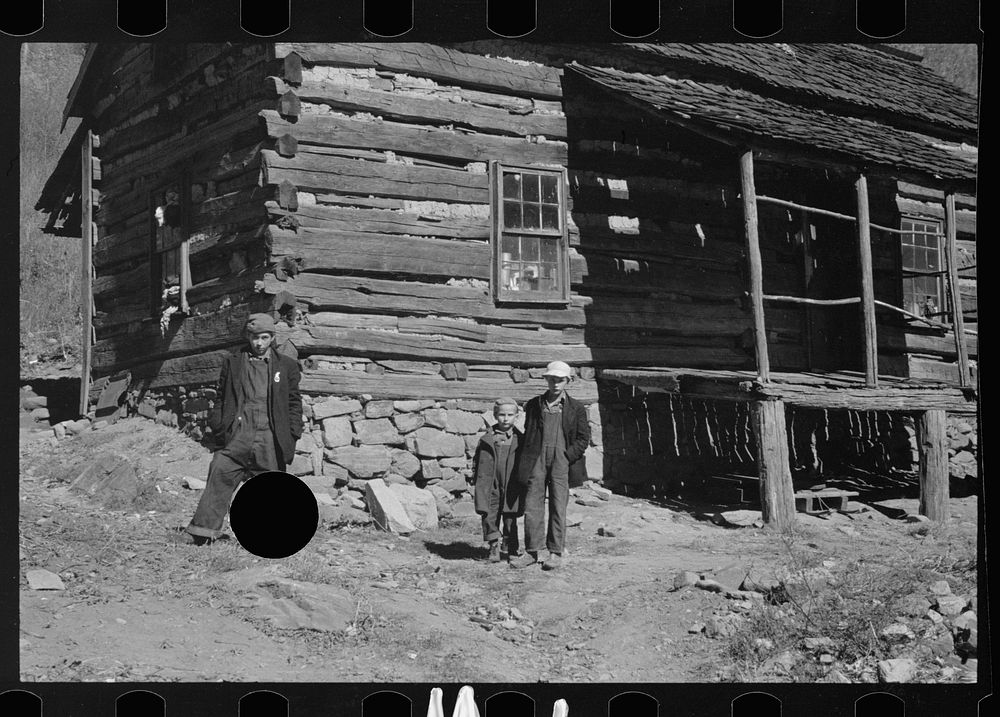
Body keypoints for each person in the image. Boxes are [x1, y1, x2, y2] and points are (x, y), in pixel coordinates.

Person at [173, 313, 303, 545]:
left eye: (264, 337)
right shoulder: (233, 362)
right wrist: (219, 425)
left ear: (272, 338)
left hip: (269, 437)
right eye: (254, 337)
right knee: (220, 473)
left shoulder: (287, 366)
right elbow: (222, 396)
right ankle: (202, 532)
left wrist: (293, 432)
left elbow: (294, 403)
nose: (259, 343)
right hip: (238, 434)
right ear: (247, 336)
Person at [510, 361, 590, 571]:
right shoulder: (534, 404)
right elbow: (527, 433)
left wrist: (566, 455)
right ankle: (532, 551)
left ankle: (555, 552)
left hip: (560, 461)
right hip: (536, 459)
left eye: (560, 380)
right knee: (532, 505)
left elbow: (583, 438)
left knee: (558, 505)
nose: (555, 384)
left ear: (567, 381)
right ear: (546, 379)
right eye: (552, 379)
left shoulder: (576, 408)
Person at [470, 398, 524, 563]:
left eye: (510, 415)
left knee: (510, 515)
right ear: (494, 415)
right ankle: (493, 546)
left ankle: (510, 545)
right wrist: (475, 477)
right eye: (501, 415)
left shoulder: (520, 439)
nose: (505, 419)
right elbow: (477, 460)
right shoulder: (487, 439)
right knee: (489, 514)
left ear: (517, 416)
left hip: (511, 483)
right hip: (490, 483)